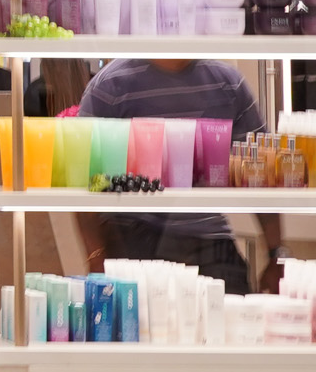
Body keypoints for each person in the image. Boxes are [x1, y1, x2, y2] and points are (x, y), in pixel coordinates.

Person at [76, 55, 281, 298]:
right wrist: (96, 256)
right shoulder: (111, 85)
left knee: (235, 313)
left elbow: (261, 172)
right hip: (136, 232)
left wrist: (276, 253)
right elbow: (85, 178)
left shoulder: (228, 83)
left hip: (208, 235)